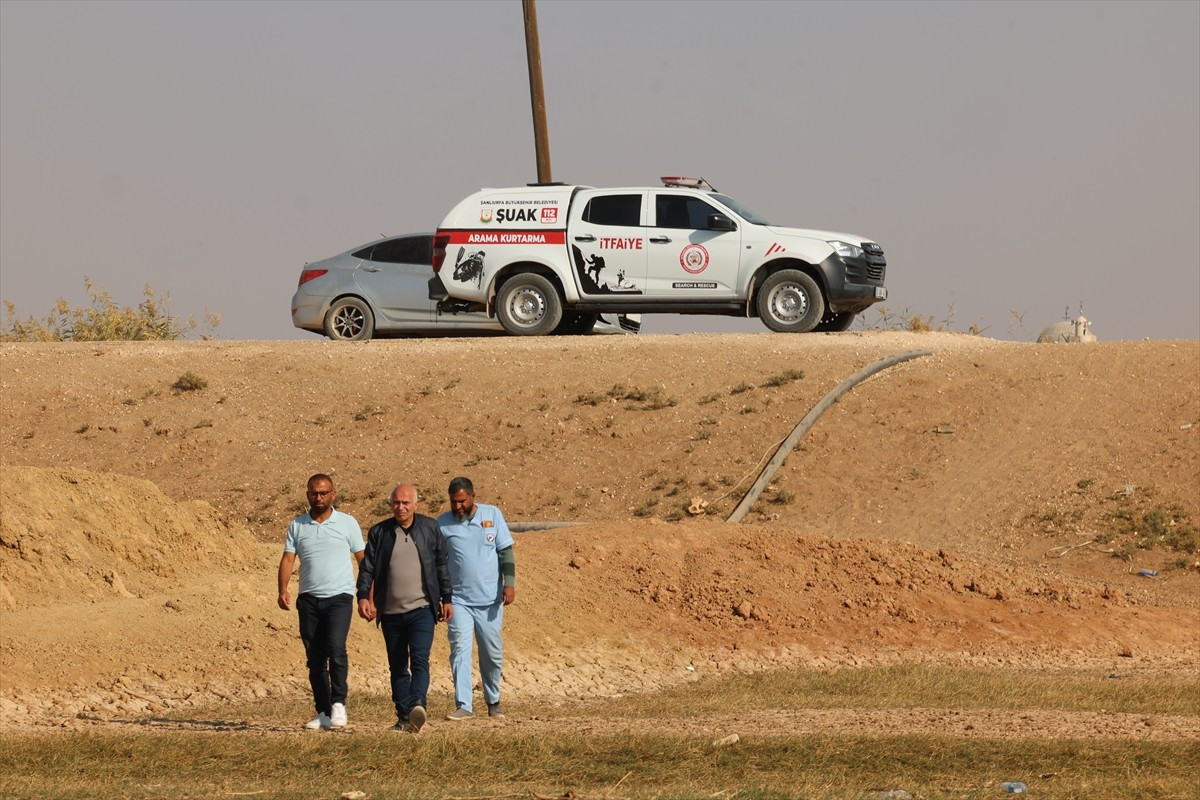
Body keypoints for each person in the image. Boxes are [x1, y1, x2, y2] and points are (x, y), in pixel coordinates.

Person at [356, 484, 453, 733]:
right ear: (391, 505)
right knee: (398, 665)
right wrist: (363, 597)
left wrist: (447, 598)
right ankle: (403, 717)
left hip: (422, 609)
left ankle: (417, 704)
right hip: (390, 612)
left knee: (420, 659)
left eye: (405, 503)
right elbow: (367, 567)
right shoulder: (380, 532)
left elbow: (441, 565)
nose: (400, 507)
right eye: (396, 503)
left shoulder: (430, 528)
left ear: (416, 505)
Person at [277, 473, 364, 730]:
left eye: (324, 493)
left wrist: (367, 592)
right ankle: (323, 711)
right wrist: (282, 589)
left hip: (339, 597)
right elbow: (288, 559)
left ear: (333, 494)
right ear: (307, 495)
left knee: (336, 649)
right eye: (314, 493)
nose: (319, 498)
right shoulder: (297, 525)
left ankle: (339, 703)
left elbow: (362, 557)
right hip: (308, 599)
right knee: (314, 658)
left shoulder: (347, 523)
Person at [437, 476, 515, 720]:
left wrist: (509, 584)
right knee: (459, 648)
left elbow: (505, 551)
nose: (457, 506)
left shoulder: (492, 515)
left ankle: (493, 701)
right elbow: (438, 562)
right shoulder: (442, 524)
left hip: (490, 599)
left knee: (491, 652)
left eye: (461, 501)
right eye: (453, 502)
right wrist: (443, 596)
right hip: (458, 599)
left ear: (472, 496)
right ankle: (464, 705)